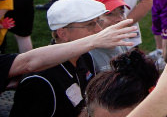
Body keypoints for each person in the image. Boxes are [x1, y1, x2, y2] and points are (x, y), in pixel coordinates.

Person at [0, 18, 136, 92]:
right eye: (90, 24)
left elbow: (28, 62)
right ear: (63, 34)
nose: (99, 30)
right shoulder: (41, 80)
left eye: (97, 22)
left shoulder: (85, 57)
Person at [86, 0, 133, 73]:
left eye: (122, 12)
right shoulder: (87, 54)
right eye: (110, 14)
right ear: (91, 20)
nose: (120, 18)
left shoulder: (122, 43)